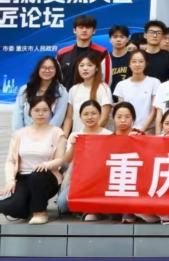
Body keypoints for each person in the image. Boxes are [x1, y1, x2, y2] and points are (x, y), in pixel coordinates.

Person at [0, 96, 65, 225]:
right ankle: (29, 207)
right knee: (14, 207)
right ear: (30, 112)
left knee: (37, 175)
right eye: (37, 110)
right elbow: (10, 161)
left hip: (47, 177)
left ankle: (40, 213)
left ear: (50, 112)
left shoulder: (57, 132)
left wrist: (47, 164)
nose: (41, 113)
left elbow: (60, 159)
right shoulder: (19, 134)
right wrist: (10, 180)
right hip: (24, 178)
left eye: (45, 110)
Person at [12, 57, 69, 132]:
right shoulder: (25, 89)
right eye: (44, 67)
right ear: (38, 69)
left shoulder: (62, 92)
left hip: (49, 135)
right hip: (25, 134)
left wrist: (45, 135)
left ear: (56, 70)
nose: (47, 70)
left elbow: (58, 117)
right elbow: (18, 113)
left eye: (51, 68)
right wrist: (19, 134)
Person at [57, 14, 111, 88]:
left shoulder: (102, 53)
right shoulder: (62, 53)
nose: (84, 30)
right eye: (81, 27)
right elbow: (56, 78)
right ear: (74, 30)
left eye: (88, 27)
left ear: (94, 31)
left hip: (93, 94)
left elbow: (106, 81)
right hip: (66, 94)